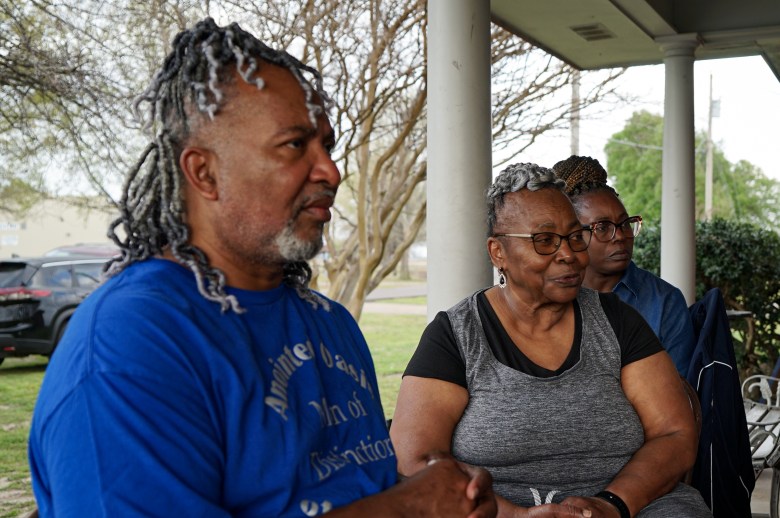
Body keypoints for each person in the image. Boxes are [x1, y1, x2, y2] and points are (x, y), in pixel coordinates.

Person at [27, 18, 495, 518]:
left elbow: (330, 490)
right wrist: (409, 508)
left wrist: (442, 495)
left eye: (328, 146)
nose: (331, 172)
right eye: (295, 145)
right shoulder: (132, 343)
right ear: (204, 173)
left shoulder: (330, 323)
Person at [390, 163, 712, 517]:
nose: (569, 254)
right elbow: (415, 460)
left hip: (631, 506)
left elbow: (674, 434)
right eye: (544, 241)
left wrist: (613, 504)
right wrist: (515, 515)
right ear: (498, 252)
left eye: (575, 237)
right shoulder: (456, 335)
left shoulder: (618, 321)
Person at [551, 155, 695, 378]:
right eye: (602, 227)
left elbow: (680, 391)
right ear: (573, 235)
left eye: (625, 224)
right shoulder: (552, 298)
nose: (620, 236)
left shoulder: (664, 301)